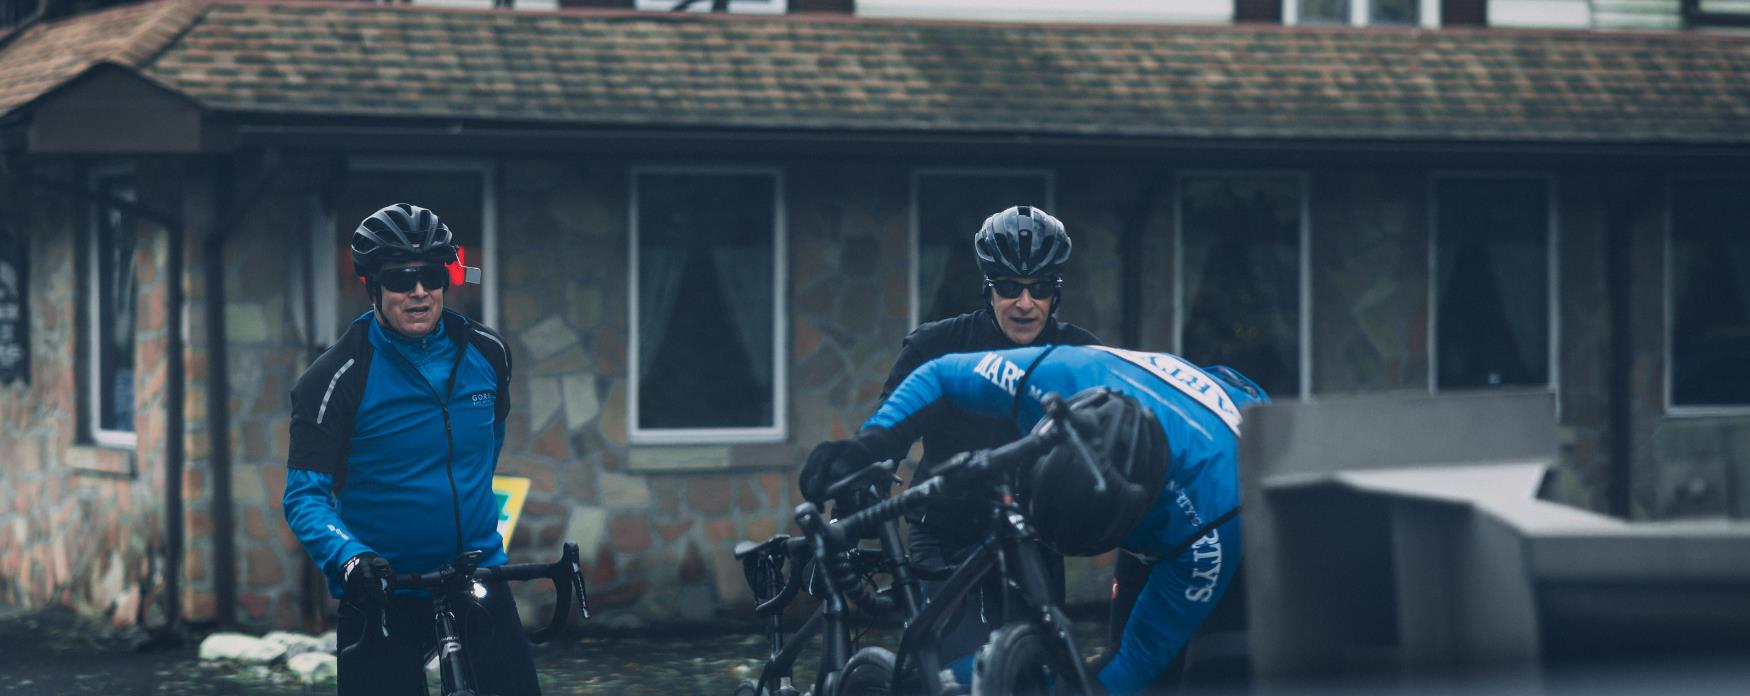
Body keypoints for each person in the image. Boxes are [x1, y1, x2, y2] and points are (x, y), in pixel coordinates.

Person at [801, 344, 1267, 695]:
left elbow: (1137, 663)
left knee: (1187, 676)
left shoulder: (1212, 527)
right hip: (1145, 426)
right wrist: (871, 444)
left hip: (1246, 495)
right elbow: (940, 374)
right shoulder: (1061, 375)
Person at [284, 203, 539, 696]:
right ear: (372, 287)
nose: (419, 291)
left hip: (476, 577)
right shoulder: (336, 378)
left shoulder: (488, 353)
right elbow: (303, 497)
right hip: (380, 589)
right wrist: (352, 557)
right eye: (402, 279)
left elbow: (487, 448)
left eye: (431, 275)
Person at [871, 204, 1101, 684]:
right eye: (1008, 288)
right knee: (958, 672)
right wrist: (865, 482)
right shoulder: (937, 346)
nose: (1024, 303)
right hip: (945, 533)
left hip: (1032, 537)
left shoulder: (1082, 356)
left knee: (1041, 669)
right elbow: (887, 433)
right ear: (988, 288)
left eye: (1039, 289)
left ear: (1055, 294)